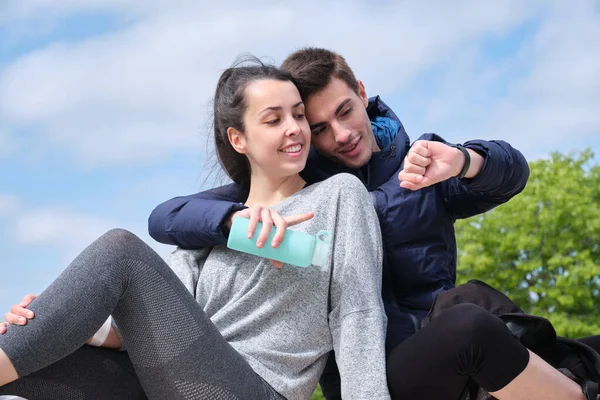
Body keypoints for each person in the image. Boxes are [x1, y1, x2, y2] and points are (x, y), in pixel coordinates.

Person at [143, 48, 531, 397]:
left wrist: (465, 161)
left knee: (568, 345)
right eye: (320, 128)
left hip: (441, 343)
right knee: (471, 325)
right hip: (370, 374)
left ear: (362, 93)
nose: (342, 135)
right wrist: (233, 222)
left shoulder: (422, 166)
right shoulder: (302, 191)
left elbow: (512, 174)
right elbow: (167, 217)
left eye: (344, 112)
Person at [0, 59, 391, 399]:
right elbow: (150, 329)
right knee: (36, 359)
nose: (293, 128)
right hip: (177, 383)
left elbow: (356, 311)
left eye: (299, 114)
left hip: (256, 389)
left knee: (120, 250)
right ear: (238, 139)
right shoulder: (211, 223)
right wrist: (64, 322)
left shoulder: (338, 195)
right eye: (274, 119)